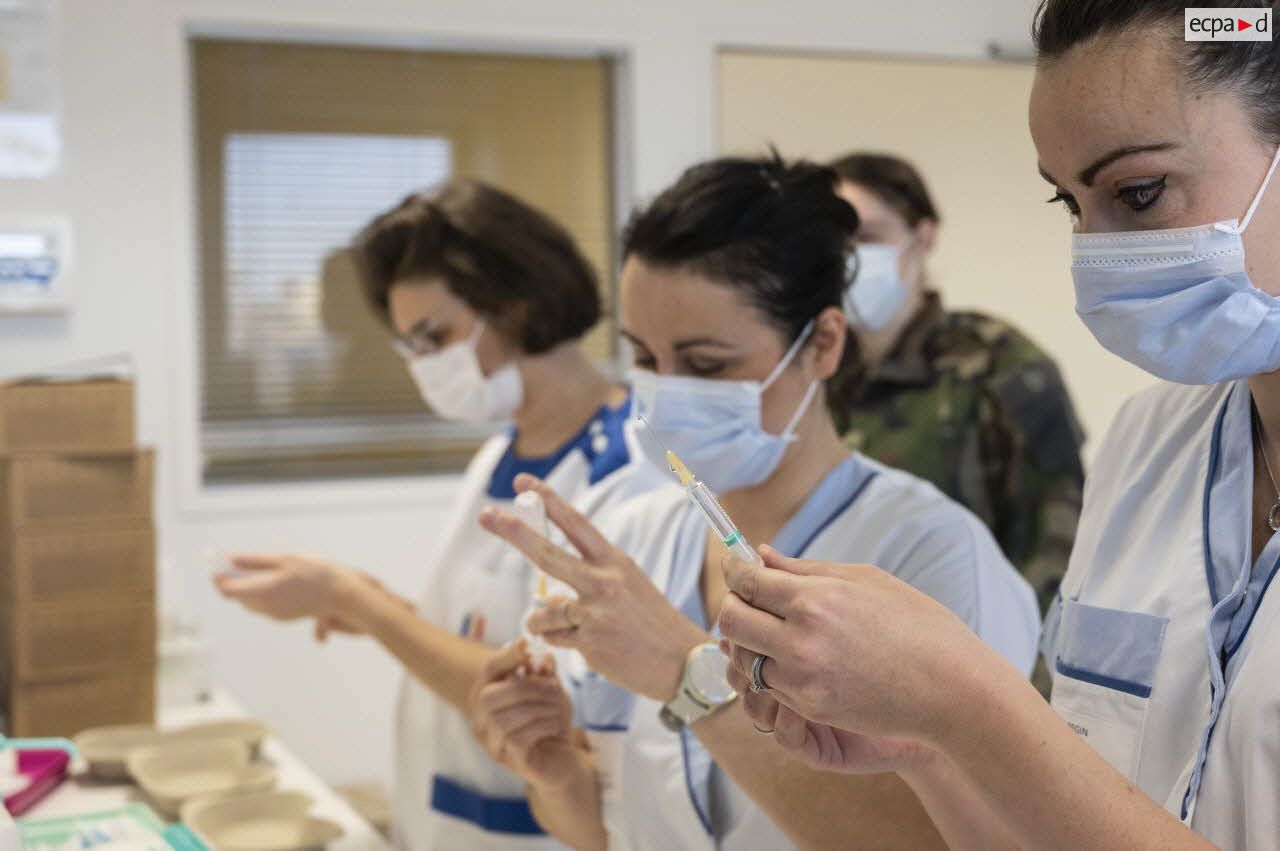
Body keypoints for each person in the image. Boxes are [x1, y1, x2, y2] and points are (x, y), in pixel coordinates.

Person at [717, 1, 1280, 848]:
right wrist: (930, 748)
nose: (1097, 250)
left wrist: (967, 701)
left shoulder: (997, 373)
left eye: (1138, 192)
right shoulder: (1147, 447)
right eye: (1071, 203)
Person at [469, 155, 1040, 850]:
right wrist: (555, 773)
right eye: (647, 359)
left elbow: (955, 839)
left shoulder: (930, 554)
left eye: (707, 364)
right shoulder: (635, 534)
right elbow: (600, 828)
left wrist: (687, 671)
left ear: (823, 343)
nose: (669, 391)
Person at [213, 179, 661, 850]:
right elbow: (473, 631)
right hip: (452, 816)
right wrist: (366, 602)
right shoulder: (496, 460)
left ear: (517, 303)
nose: (426, 366)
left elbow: (534, 690)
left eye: (435, 336)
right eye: (411, 347)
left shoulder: (626, 476)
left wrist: (359, 601)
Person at [830, 151, 1086, 616]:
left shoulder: (1001, 367)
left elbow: (1056, 552)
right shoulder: (809, 370)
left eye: (867, 236)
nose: (847, 257)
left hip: (970, 662)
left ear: (921, 237)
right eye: (833, 240)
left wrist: (1012, 681)